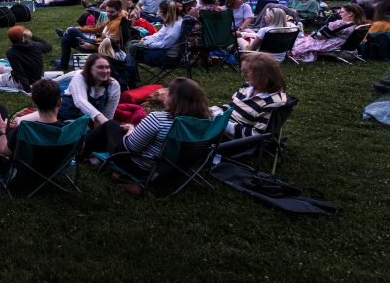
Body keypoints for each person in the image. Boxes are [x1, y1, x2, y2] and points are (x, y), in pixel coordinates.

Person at [84, 76, 213, 196]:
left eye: (167, 92)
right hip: (176, 167)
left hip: (143, 166)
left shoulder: (158, 119)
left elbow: (130, 147)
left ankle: (80, 153)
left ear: (174, 99)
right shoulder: (206, 121)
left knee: (110, 125)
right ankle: (92, 153)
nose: (164, 94)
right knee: (114, 129)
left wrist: (130, 130)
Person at [0, 77, 66, 158]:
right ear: (59, 102)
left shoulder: (25, 130)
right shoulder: (68, 130)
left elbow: (4, 152)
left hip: (19, 169)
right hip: (52, 168)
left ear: (34, 102)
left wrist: (1, 131)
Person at [217, 53, 288, 139]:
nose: (243, 75)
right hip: (221, 129)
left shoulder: (272, 103)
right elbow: (233, 108)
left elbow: (256, 136)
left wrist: (224, 125)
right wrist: (216, 111)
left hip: (234, 142)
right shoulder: (247, 87)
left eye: (246, 72)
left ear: (262, 75)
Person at [55, 0, 125, 70]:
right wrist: (78, 28)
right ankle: (63, 65)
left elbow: (111, 46)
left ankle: (63, 64)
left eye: (112, 12)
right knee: (65, 39)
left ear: (119, 11)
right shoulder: (112, 19)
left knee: (71, 31)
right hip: (96, 42)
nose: (108, 14)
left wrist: (91, 46)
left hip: (99, 49)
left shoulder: (117, 23)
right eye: (107, 11)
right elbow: (97, 29)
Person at [58, 53, 120, 126]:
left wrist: (106, 126)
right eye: (100, 67)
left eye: (107, 67)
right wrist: (104, 121)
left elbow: (109, 114)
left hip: (88, 121)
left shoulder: (114, 85)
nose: (105, 71)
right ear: (90, 69)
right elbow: (81, 101)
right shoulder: (79, 77)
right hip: (67, 116)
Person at [290, 3, 365, 63]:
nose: (339, 14)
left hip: (337, 49)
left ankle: (289, 53)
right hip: (350, 50)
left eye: (342, 12)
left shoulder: (341, 24)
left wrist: (310, 37)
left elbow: (320, 35)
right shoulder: (358, 25)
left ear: (350, 14)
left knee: (301, 41)